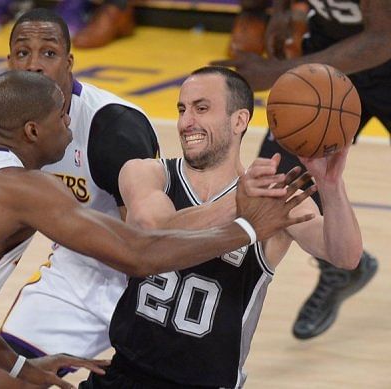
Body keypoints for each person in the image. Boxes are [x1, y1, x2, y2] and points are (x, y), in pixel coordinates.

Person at [0, 70, 312, 389]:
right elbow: (138, 253)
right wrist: (247, 225)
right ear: (32, 131)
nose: (71, 125)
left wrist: (14, 364)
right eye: (61, 117)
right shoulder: (21, 189)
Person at [80, 66, 363, 389]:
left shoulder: (279, 198)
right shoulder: (147, 173)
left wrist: (330, 184)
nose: (187, 122)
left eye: (202, 109)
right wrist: (239, 204)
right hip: (122, 375)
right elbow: (151, 229)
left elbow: (345, 256)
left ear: (239, 120)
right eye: (182, 109)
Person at [0, 8, 156, 388]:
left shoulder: (114, 128)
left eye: (48, 54)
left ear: (69, 63)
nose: (34, 65)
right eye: (22, 53)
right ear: (8, 61)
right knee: (4, 380)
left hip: (149, 274)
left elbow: (144, 239)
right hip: (78, 270)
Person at [214, 0, 386, 340]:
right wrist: (281, 9)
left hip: (381, 50)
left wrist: (278, 71)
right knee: (280, 184)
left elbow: (383, 36)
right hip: (329, 51)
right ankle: (339, 269)